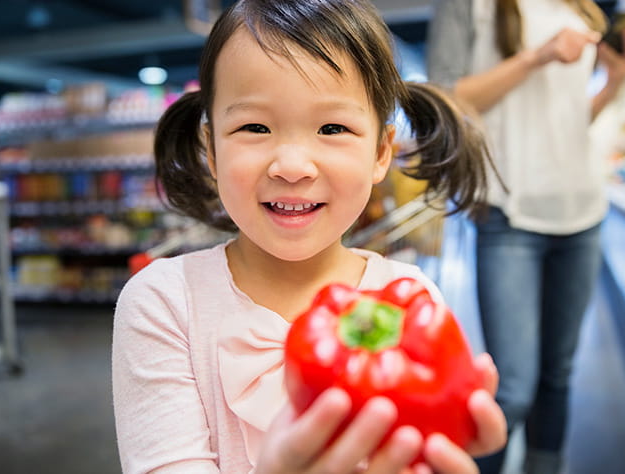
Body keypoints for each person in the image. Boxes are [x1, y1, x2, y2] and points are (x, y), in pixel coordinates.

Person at [111, 1, 508, 473]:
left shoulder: (410, 302)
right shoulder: (164, 303)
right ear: (211, 150)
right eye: (254, 127)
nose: (293, 167)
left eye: (333, 127)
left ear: (381, 152)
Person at [426, 0, 625, 472]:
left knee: (557, 376)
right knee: (514, 388)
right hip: (508, 212)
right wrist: (535, 57)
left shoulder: (579, 8)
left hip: (582, 209)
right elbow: (445, 96)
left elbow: (567, 120)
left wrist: (617, 79)